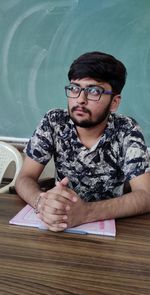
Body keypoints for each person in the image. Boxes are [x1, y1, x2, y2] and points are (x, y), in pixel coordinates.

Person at [15, 51, 150, 232]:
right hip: (57, 228)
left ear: (114, 102)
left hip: (107, 233)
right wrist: (43, 203)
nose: (80, 99)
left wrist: (85, 212)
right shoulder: (54, 121)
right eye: (74, 88)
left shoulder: (127, 130)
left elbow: (146, 195)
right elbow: (25, 178)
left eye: (94, 91)